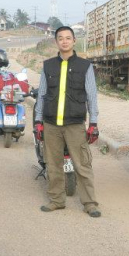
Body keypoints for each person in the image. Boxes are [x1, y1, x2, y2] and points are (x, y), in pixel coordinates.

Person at [34, 26, 101, 218]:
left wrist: (93, 124)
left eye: (68, 38)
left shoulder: (85, 66)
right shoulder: (48, 66)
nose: (64, 41)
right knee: (53, 165)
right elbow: (42, 95)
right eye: (60, 38)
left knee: (82, 165)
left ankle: (90, 203)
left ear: (74, 41)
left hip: (75, 124)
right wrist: (38, 121)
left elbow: (92, 96)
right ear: (56, 42)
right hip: (51, 124)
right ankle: (57, 200)